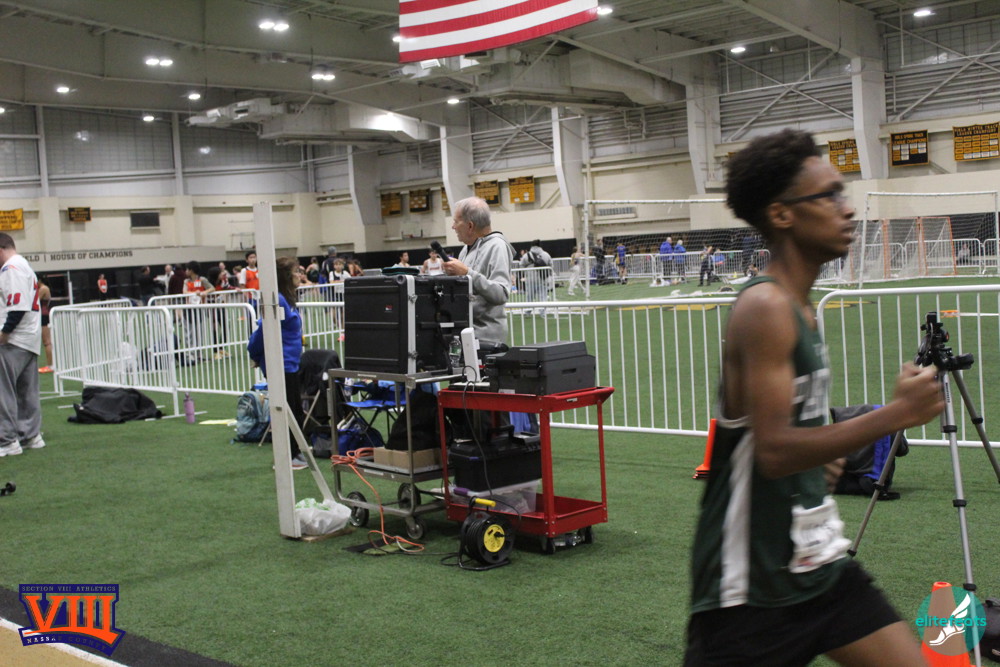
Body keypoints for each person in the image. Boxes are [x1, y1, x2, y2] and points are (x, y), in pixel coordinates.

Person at [685, 129, 943, 666]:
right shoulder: (766, 307)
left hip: (818, 564)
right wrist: (896, 414)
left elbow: (787, 438)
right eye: (828, 196)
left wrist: (822, 456)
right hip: (750, 590)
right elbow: (775, 451)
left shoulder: (802, 307)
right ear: (782, 214)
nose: (846, 209)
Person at [247, 257, 307, 471]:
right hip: (281, 364)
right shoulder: (278, 300)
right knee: (287, 411)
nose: (300, 275)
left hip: (290, 363)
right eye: (296, 271)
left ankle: (294, 451)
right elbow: (262, 331)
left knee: (296, 410)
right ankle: (287, 456)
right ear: (286, 276)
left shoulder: (287, 299)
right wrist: (255, 353)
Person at [441, 196, 514, 352]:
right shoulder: (466, 249)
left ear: (470, 226)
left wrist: (467, 273)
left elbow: (501, 294)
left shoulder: (497, 246)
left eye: (456, 222)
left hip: (487, 340)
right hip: (465, 334)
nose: (453, 227)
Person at [0, 233, 44, 456]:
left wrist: (4, 332)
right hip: (29, 338)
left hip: (14, 339)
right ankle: (30, 436)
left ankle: (7, 440)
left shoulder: (11, 268)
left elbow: (17, 306)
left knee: (4, 392)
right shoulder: (24, 265)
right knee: (26, 391)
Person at [36, 278, 53, 373]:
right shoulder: (42, 288)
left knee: (47, 342)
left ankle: (50, 365)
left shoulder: (43, 289)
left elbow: (35, 301)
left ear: (39, 280)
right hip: (42, 315)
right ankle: (50, 365)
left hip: (43, 316)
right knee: (46, 342)